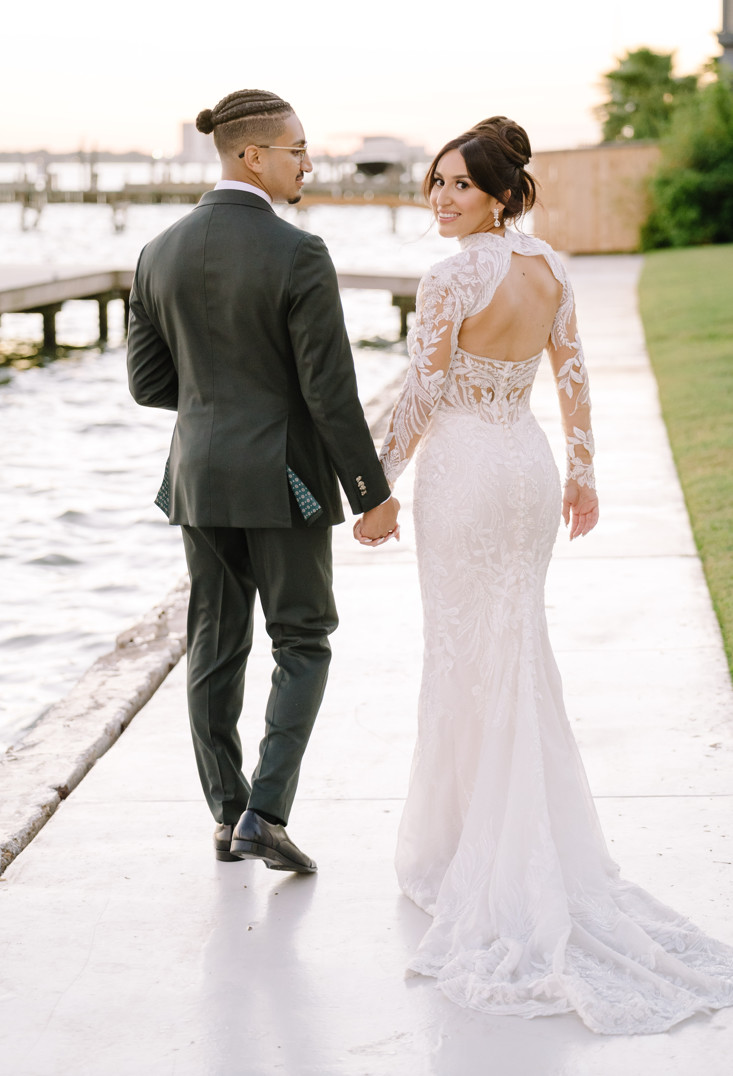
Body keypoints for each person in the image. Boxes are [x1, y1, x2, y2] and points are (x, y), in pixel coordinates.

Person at [355, 116, 733, 1033]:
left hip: (465, 473)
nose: (440, 198)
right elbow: (571, 376)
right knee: (512, 651)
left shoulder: (448, 279)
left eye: (459, 185)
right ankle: (500, 839)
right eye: (436, 181)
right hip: (523, 469)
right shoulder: (551, 267)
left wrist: (374, 488)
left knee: (464, 655)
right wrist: (580, 474)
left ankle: (471, 856)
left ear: (498, 195)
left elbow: (423, 394)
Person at [127, 88, 399, 874]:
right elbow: (329, 394)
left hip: (196, 476)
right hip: (285, 480)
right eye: (297, 149)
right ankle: (265, 814)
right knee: (302, 639)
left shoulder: (156, 253)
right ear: (252, 155)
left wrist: (219, 403)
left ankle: (226, 812)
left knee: (213, 644)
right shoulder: (298, 254)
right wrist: (371, 494)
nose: (307, 163)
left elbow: (148, 385)